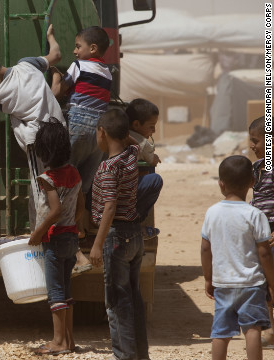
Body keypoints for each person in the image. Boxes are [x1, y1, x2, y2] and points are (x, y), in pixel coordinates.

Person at [0, 24, 64, 232]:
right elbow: (56, 55)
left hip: (38, 142)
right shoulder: (28, 64)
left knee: (41, 190)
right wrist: (50, 36)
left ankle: (41, 237)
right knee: (60, 186)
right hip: (60, 133)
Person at [89, 108, 149, 360]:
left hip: (116, 238)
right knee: (133, 300)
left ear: (102, 133)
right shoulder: (131, 155)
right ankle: (140, 355)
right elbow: (137, 143)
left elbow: (110, 206)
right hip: (134, 234)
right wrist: (125, 137)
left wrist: (96, 244)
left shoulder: (107, 168)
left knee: (116, 304)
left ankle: (124, 356)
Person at [201, 155, 274, 360]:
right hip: (252, 283)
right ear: (252, 182)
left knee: (221, 333)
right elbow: (264, 252)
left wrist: (208, 278)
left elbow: (206, 249)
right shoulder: (255, 214)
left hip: (223, 283)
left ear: (221, 184)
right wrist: (272, 282)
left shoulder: (212, 213)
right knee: (252, 329)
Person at [51, 26, 111, 245]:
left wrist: (56, 76)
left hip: (78, 122)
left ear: (92, 48)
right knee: (83, 185)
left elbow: (57, 92)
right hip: (99, 131)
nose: (75, 52)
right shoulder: (107, 71)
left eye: (78, 47)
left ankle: (66, 226)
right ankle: (80, 227)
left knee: (66, 177)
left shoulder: (79, 65)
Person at [29, 121, 82, 355]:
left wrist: (38, 233)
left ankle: (58, 342)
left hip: (54, 239)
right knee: (67, 291)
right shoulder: (74, 173)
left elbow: (55, 210)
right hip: (70, 237)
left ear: (43, 151)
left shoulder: (47, 179)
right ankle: (69, 341)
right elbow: (80, 206)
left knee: (55, 293)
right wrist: (72, 224)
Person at [248, 116, 274, 349]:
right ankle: (268, 329)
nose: (251, 146)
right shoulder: (256, 168)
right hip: (260, 237)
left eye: (256, 140)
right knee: (263, 284)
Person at [126, 98, 163, 236]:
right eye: (151, 126)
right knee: (155, 180)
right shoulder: (143, 144)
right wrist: (155, 158)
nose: (154, 130)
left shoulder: (119, 135)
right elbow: (151, 161)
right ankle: (138, 220)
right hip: (128, 192)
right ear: (136, 124)